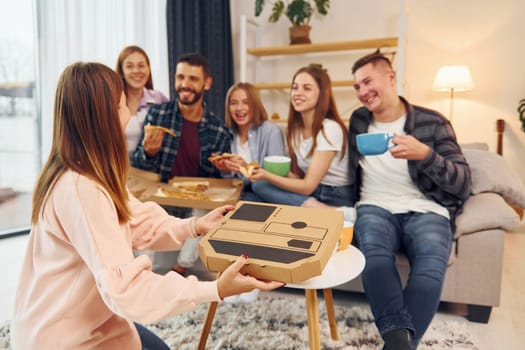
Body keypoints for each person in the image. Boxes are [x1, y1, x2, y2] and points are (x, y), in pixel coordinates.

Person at [10, 62, 283, 350]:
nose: (130, 110)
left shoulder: (89, 172)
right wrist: (215, 288)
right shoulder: (81, 188)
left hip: (92, 319)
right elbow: (127, 290)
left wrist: (195, 225)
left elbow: (136, 220)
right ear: (105, 117)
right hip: (61, 337)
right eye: (122, 103)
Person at [348, 52, 471, 349]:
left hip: (427, 209)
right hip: (374, 205)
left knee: (429, 273)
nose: (362, 92)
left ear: (391, 77)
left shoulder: (433, 122)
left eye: (367, 81)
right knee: (374, 261)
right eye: (357, 87)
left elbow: (463, 183)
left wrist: (426, 156)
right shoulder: (358, 120)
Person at [131, 52, 232, 277]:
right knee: (145, 207)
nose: (184, 85)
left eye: (193, 79)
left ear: (207, 83)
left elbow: (220, 183)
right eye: (180, 78)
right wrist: (147, 152)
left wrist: (224, 170)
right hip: (161, 198)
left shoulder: (218, 130)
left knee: (207, 210)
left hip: (194, 203)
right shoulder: (157, 116)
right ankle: (141, 273)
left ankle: (181, 268)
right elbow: (137, 164)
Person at [249, 64, 353, 209]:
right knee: (259, 185)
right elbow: (299, 179)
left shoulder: (330, 128)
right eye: (295, 87)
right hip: (315, 193)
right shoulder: (295, 130)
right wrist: (256, 170)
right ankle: (313, 208)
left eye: (307, 88)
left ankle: (334, 213)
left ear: (322, 94)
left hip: (336, 195)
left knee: (264, 183)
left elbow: (307, 186)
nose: (298, 93)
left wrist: (267, 175)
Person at [211, 82, 286, 202]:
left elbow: (276, 177)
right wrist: (226, 169)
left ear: (255, 105)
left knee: (253, 191)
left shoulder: (271, 131)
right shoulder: (227, 133)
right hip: (242, 193)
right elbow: (232, 180)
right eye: (234, 103)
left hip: (267, 193)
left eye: (246, 103)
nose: (239, 108)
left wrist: (246, 168)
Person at [116, 45, 169, 157]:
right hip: (117, 167)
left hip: (148, 170)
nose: (136, 71)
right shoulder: (113, 101)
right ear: (121, 71)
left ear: (148, 69)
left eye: (141, 66)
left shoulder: (159, 99)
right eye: (130, 66)